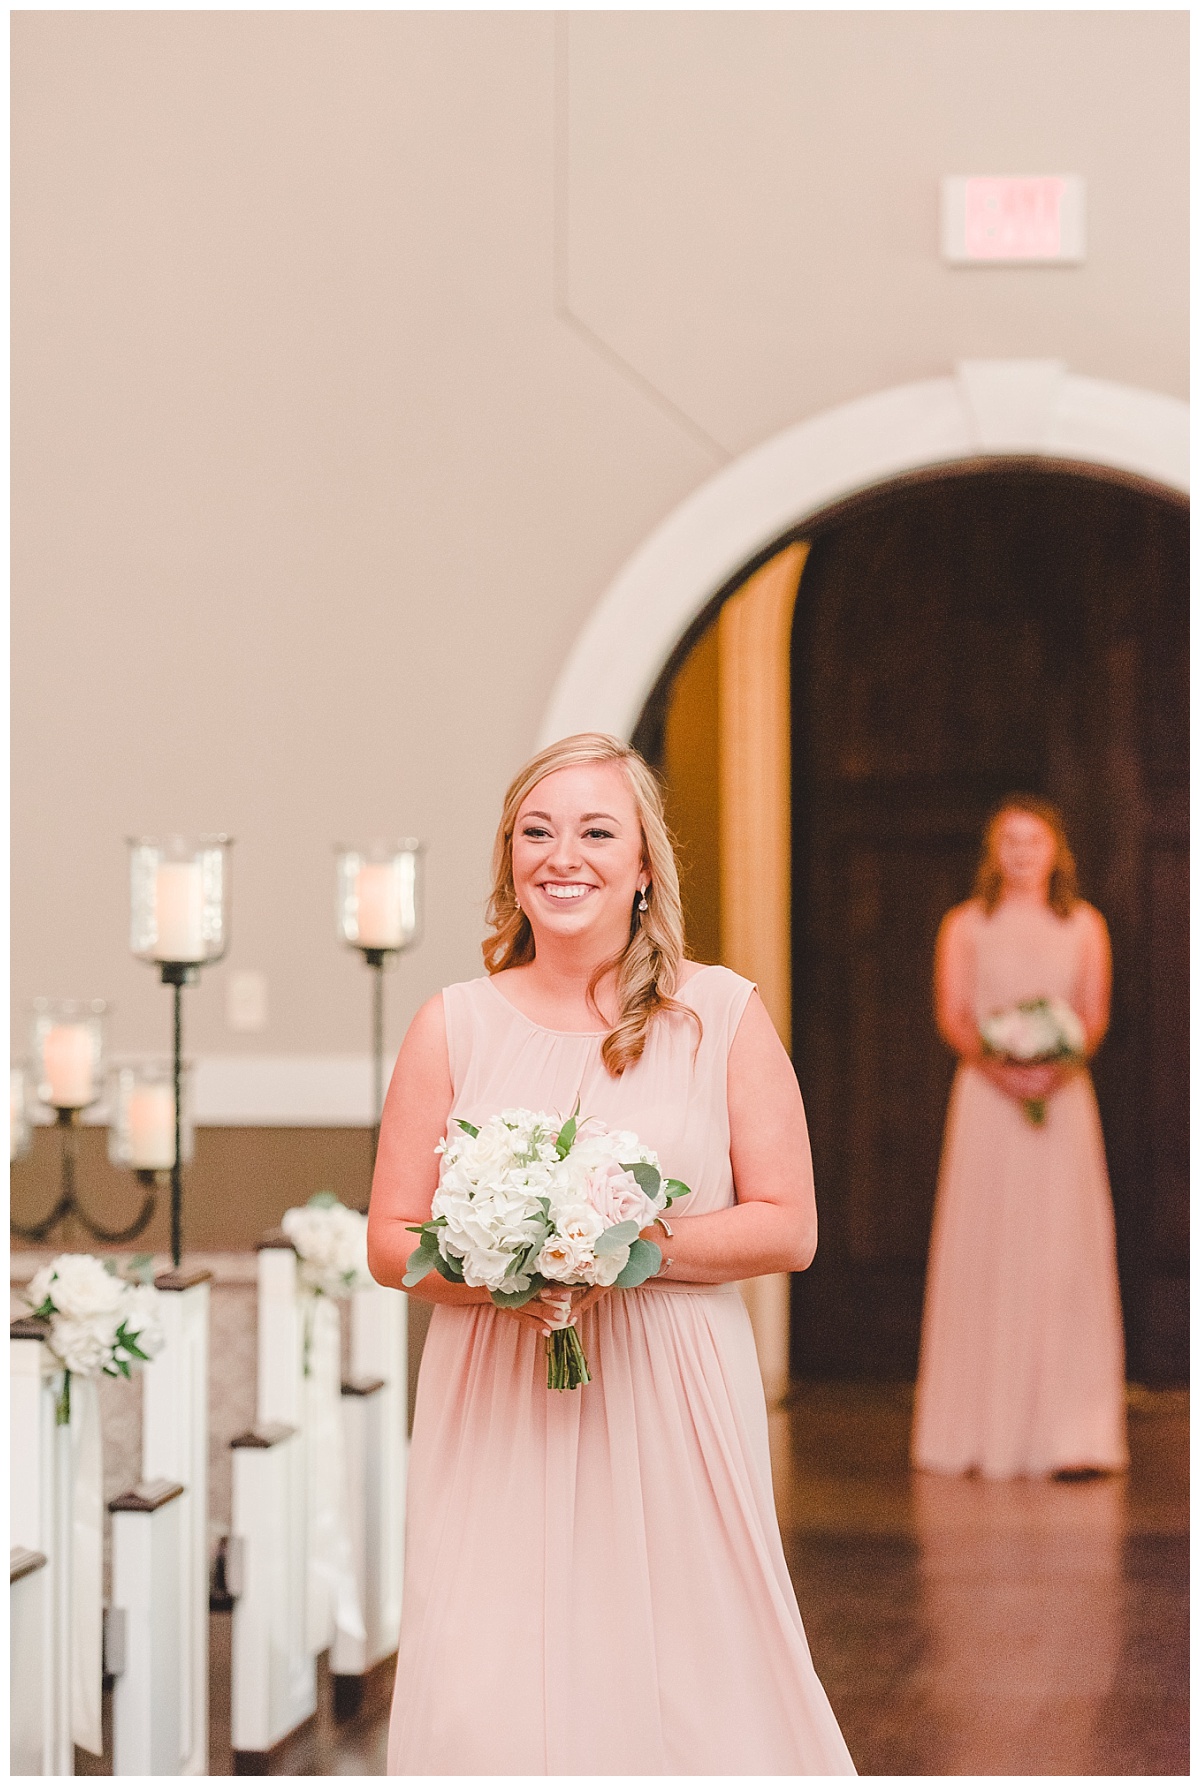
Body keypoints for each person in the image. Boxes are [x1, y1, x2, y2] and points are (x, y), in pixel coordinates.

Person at [367, 732, 856, 1776]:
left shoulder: (716, 1014)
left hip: (669, 1396)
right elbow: (390, 1242)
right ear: (509, 859)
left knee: (695, 1680)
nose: (563, 855)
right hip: (495, 1398)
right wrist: (513, 1262)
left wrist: (612, 1245)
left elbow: (788, 1224)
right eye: (536, 832)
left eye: (597, 831)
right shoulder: (450, 1025)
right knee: (490, 1679)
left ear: (643, 866)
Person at [911, 796, 1128, 1480]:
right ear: (994, 852)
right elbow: (954, 1014)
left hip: (1063, 1104)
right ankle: (974, 1428)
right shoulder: (965, 926)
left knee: (1062, 1252)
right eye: (1010, 841)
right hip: (986, 1102)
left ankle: (1074, 1431)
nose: (1023, 854)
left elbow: (1092, 1015)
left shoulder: (1085, 926)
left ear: (1056, 851)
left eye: (1035, 841)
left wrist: (1054, 1066)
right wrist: (1003, 1071)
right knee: (987, 1245)